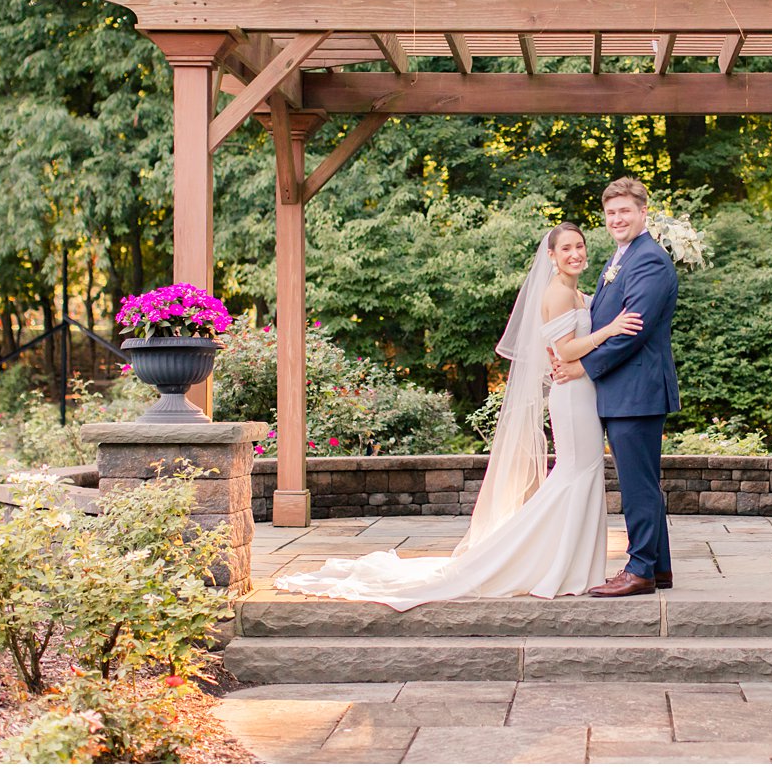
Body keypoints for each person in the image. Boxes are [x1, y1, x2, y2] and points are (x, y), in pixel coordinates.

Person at [272, 222, 640, 610]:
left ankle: (571, 565)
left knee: (582, 474)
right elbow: (565, 352)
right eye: (565, 248)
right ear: (550, 256)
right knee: (573, 475)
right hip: (572, 397)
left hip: (582, 392)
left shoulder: (576, 293)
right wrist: (610, 330)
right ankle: (539, 561)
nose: (575, 254)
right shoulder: (557, 294)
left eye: (579, 246)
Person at [553, 177, 679, 597]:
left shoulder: (650, 260)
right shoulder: (621, 257)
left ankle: (640, 569)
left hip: (637, 392)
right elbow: (607, 315)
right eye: (610, 213)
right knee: (642, 480)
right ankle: (659, 567)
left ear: (644, 212)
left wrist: (583, 367)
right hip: (623, 391)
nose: (617, 219)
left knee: (638, 484)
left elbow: (632, 333)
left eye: (625, 211)